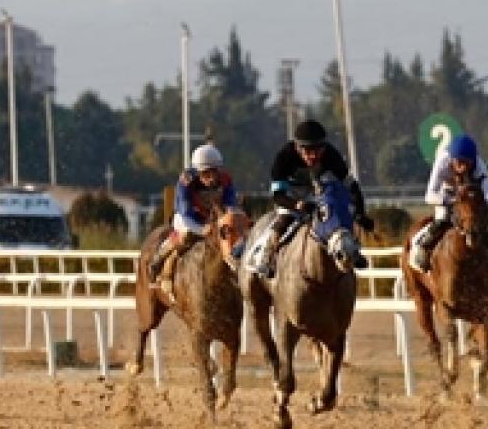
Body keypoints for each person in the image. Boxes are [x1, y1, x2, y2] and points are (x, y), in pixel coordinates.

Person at [247, 118, 372, 277]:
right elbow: (278, 197)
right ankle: (266, 257)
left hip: (317, 193)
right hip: (290, 197)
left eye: (317, 151)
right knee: (283, 221)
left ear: (324, 147)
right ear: (297, 148)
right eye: (307, 151)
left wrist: (360, 213)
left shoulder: (332, 156)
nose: (313, 156)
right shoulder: (284, 157)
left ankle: (353, 251)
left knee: (341, 215)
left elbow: (353, 188)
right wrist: (297, 205)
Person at [149, 143, 239, 298]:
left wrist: (230, 217)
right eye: (206, 174)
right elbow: (185, 212)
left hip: (214, 217)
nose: (211, 178)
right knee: (184, 236)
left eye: (214, 173)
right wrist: (200, 229)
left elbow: (231, 203)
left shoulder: (226, 179)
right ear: (197, 171)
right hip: (188, 217)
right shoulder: (186, 181)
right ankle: (159, 260)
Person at [407, 133, 488, 272]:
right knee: (443, 218)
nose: (463, 167)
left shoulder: (480, 166)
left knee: (480, 224)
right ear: (452, 159)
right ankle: (423, 247)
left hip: (470, 202)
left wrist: (477, 204)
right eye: (459, 162)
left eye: (467, 163)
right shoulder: (442, 162)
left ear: (473, 161)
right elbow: (429, 195)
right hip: (447, 197)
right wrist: (452, 201)